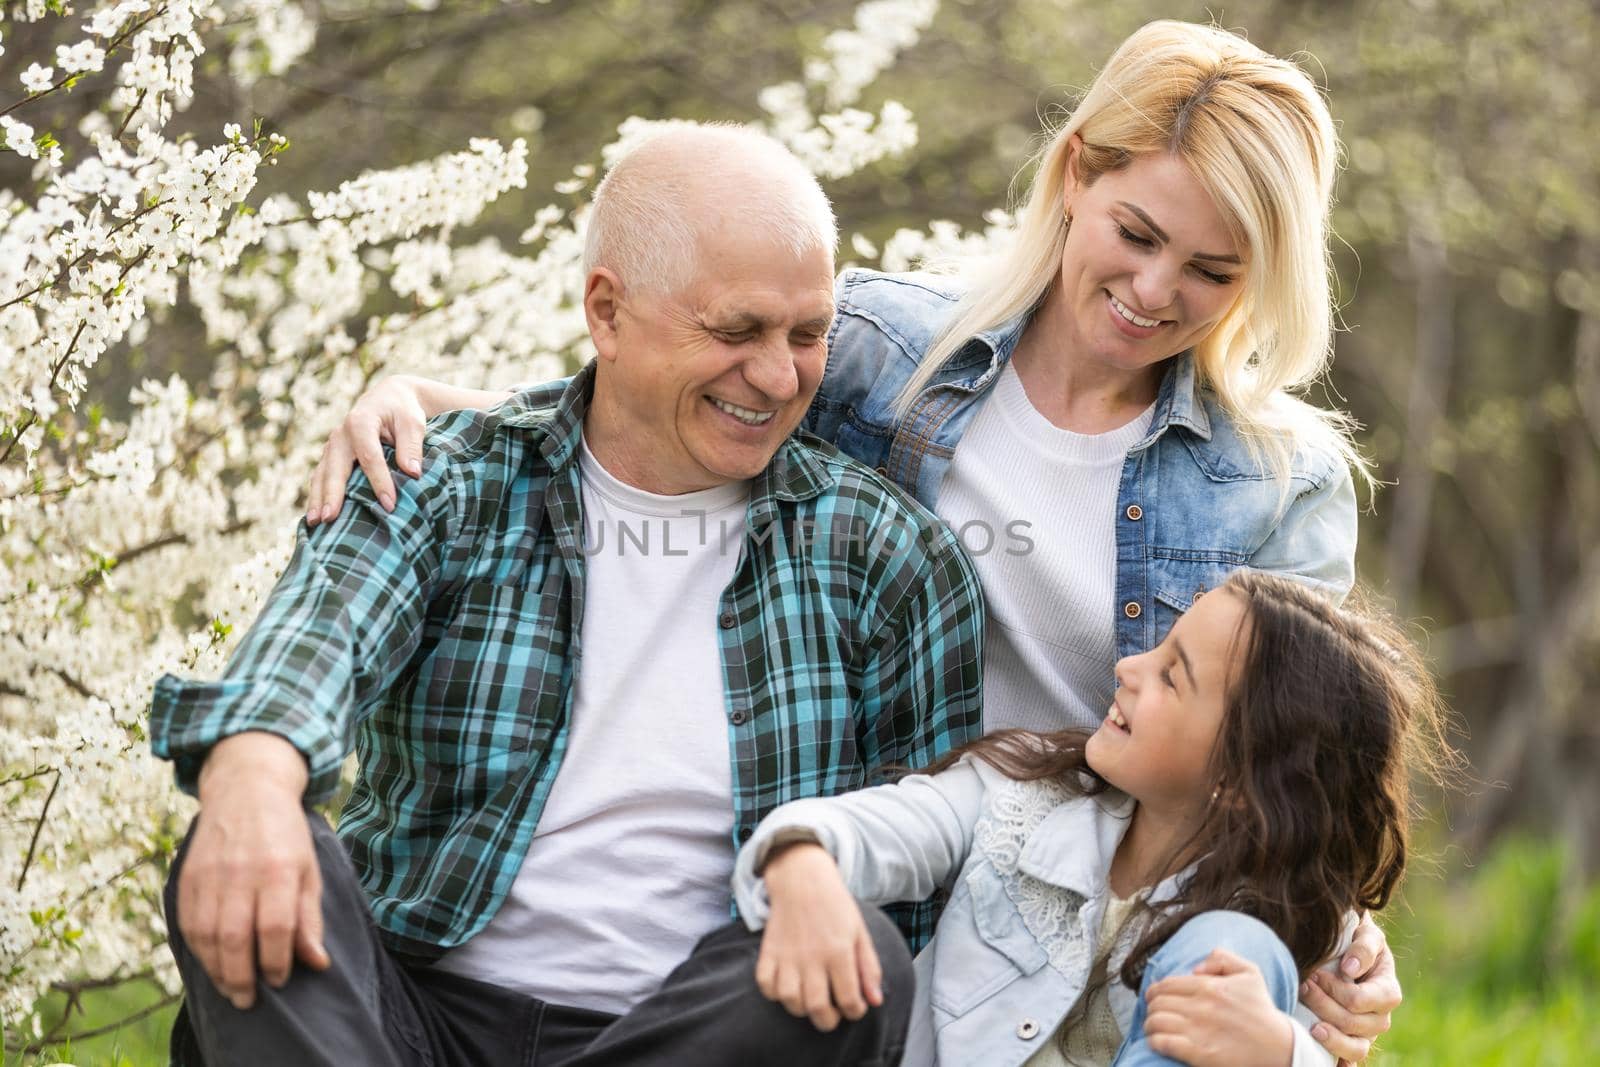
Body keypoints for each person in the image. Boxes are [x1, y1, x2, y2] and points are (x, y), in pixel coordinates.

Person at [301, 20, 1401, 1057]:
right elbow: (633, 410)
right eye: (1137, 234)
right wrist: (423, 402)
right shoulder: (882, 350)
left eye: (1212, 272)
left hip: (1101, 895)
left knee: (1242, 963)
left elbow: (1301, 748)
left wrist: (1345, 931)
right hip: (884, 850)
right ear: (1077, 175)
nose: (1155, 291)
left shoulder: (1274, 480)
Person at [148, 123, 985, 1067]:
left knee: (859, 956)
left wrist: (816, 867)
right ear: (607, 312)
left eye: (809, 334)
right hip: (406, 1016)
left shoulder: (887, 556)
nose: (780, 375)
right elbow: (318, 639)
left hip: (687, 1031)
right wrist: (254, 772)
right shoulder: (449, 483)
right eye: (736, 330)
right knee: (248, 824)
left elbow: (923, 861)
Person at [734, 570, 1454, 1067]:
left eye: (1173, 674)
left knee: (1231, 944)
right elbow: (880, 827)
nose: (1129, 667)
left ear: (1242, 776)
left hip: (1238, 947)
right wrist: (802, 861)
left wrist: (1279, 1051)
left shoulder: (1297, 930)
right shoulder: (1022, 797)